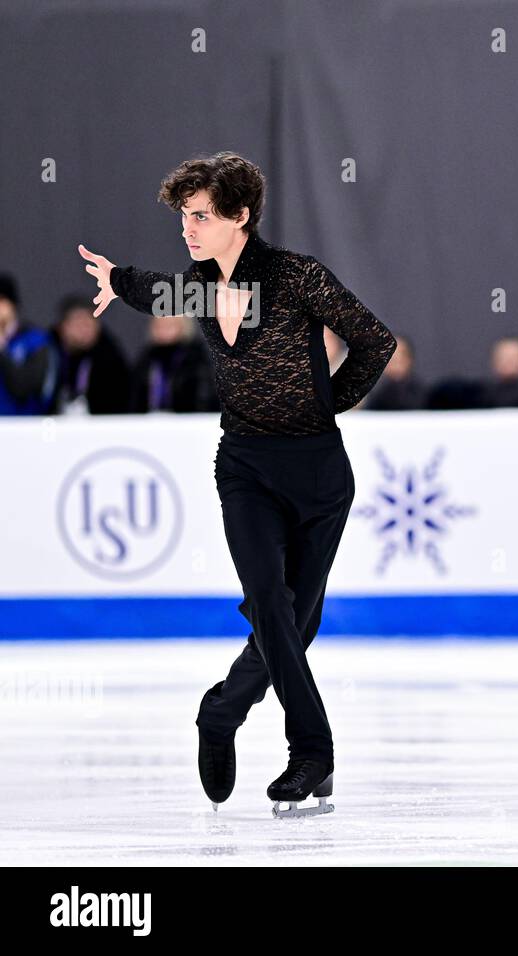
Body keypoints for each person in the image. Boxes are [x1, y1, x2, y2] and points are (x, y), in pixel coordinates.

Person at [79, 151, 396, 816]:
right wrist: (117, 280)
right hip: (245, 468)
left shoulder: (294, 277)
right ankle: (312, 751)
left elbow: (376, 342)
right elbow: (152, 288)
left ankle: (221, 711)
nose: (188, 228)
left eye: (200, 216)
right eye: (183, 216)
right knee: (272, 608)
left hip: (319, 474)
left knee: (295, 624)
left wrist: (326, 403)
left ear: (241, 217)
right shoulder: (195, 286)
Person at [52, 294, 132, 415]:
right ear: (62, 328)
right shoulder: (50, 352)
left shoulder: (111, 359)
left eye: (89, 323)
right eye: (78, 324)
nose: (84, 330)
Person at [129, 310, 219, 413]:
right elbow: (135, 397)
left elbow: (205, 396)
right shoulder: (147, 359)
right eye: (159, 325)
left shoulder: (196, 359)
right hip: (150, 421)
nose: (163, 331)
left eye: (170, 325)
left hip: (188, 421)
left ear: (183, 327)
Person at [0, 273, 60, 416]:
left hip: (25, 428)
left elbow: (25, 389)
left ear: (12, 305)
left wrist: (2, 351)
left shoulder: (35, 341)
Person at [366, 334, 425, 410]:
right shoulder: (376, 395)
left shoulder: (422, 395)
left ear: (409, 360)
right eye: (390, 360)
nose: (394, 365)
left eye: (398, 360)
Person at [480, 336, 518, 408]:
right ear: (494, 361)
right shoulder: (484, 397)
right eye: (504, 358)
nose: (509, 362)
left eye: (514, 358)